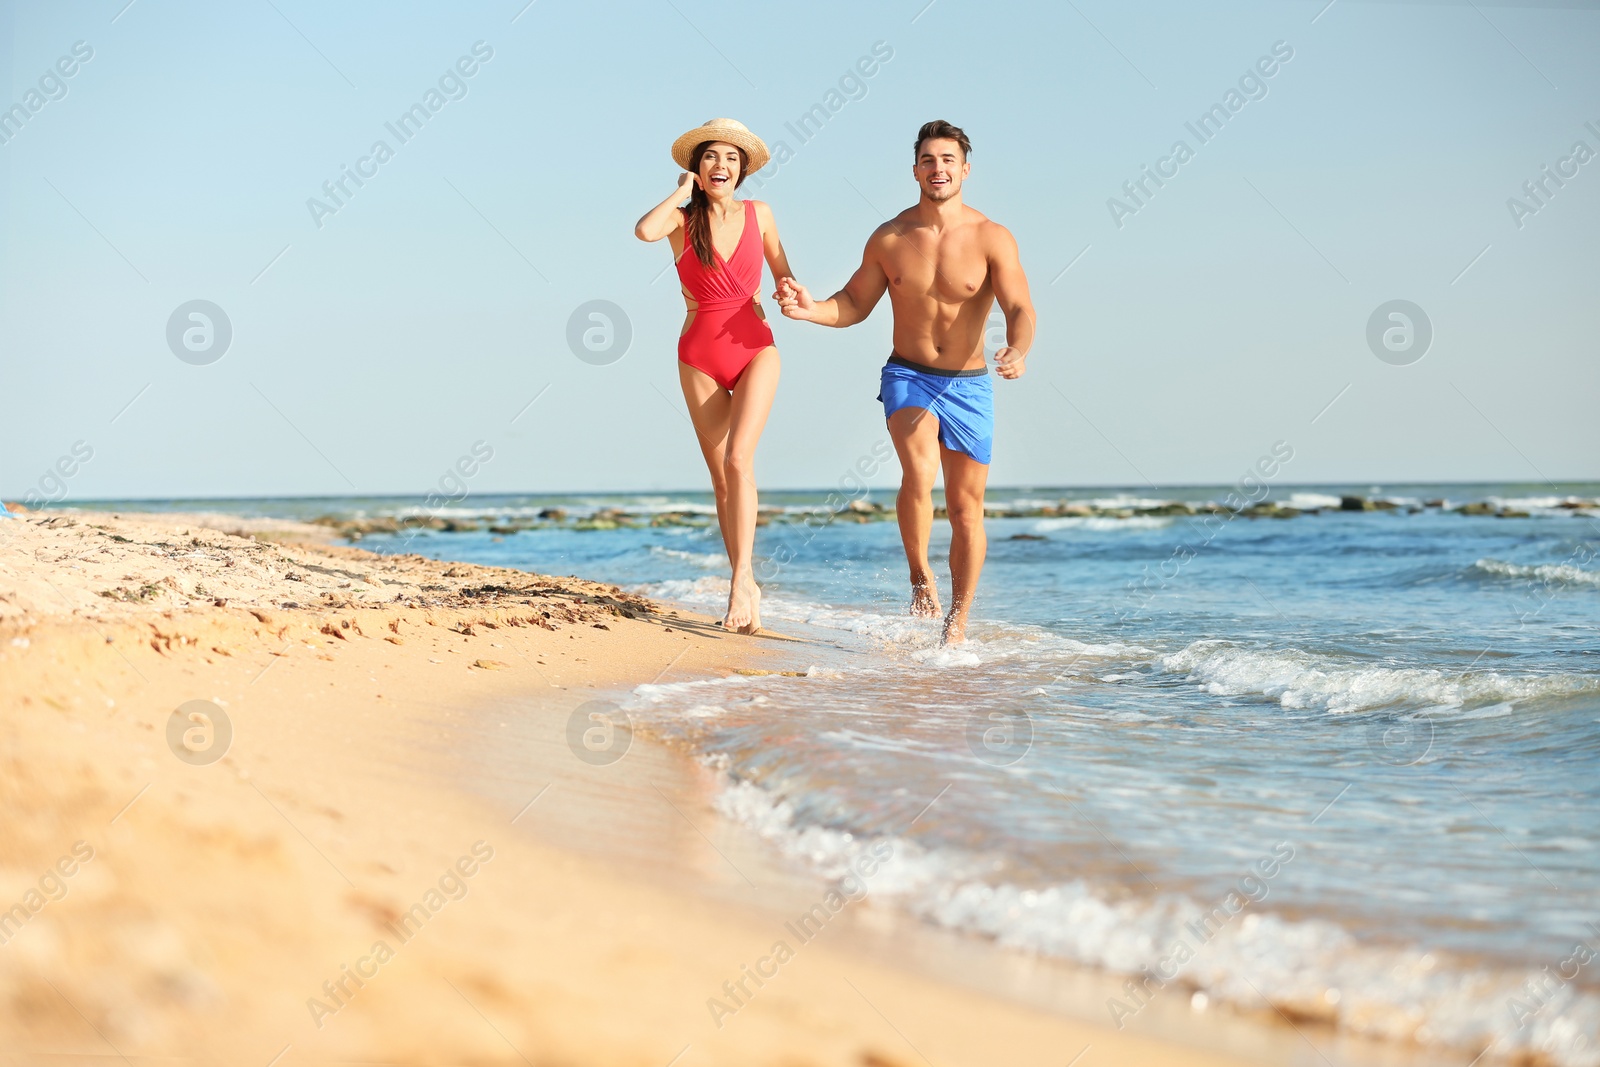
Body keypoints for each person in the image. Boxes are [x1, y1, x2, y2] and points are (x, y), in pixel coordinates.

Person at [777, 120, 1035, 644]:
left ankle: (957, 620)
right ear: (914, 169)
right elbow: (851, 304)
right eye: (928, 160)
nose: (937, 168)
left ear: (964, 170)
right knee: (918, 473)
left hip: (969, 385)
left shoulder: (992, 237)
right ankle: (920, 577)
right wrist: (811, 310)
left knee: (966, 508)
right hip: (908, 374)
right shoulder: (890, 237)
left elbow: (1020, 306)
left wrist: (1018, 348)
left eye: (947, 160)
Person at [634, 118, 796, 634]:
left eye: (730, 158)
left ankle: (741, 581)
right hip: (698, 355)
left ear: (742, 169)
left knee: (738, 456)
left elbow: (783, 269)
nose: (720, 165)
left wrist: (790, 291)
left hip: (754, 347)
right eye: (709, 158)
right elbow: (644, 230)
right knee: (722, 479)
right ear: (697, 169)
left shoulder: (761, 213)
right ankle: (743, 578)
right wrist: (681, 190)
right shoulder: (681, 222)